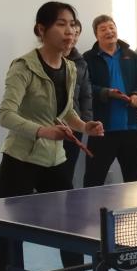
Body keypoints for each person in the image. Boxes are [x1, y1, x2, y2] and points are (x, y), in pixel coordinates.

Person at [0, 1, 104, 271]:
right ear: (41, 29)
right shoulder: (23, 67)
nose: (70, 31)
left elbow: (64, 112)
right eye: (61, 24)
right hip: (20, 163)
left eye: (73, 25)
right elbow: (6, 114)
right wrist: (41, 131)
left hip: (55, 162)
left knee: (70, 231)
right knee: (10, 239)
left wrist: (84, 125)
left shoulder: (70, 68)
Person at [82, 15, 137, 187]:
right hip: (101, 129)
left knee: (133, 182)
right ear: (96, 35)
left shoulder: (132, 56)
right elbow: (84, 87)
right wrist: (106, 92)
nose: (109, 32)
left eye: (111, 27)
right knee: (93, 181)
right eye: (103, 29)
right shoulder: (88, 58)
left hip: (131, 128)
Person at [59, 18, 93, 187]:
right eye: (69, 32)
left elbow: (86, 94)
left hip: (74, 125)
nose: (72, 37)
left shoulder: (80, 62)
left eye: (76, 33)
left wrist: (85, 123)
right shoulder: (44, 60)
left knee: (67, 172)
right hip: (50, 126)